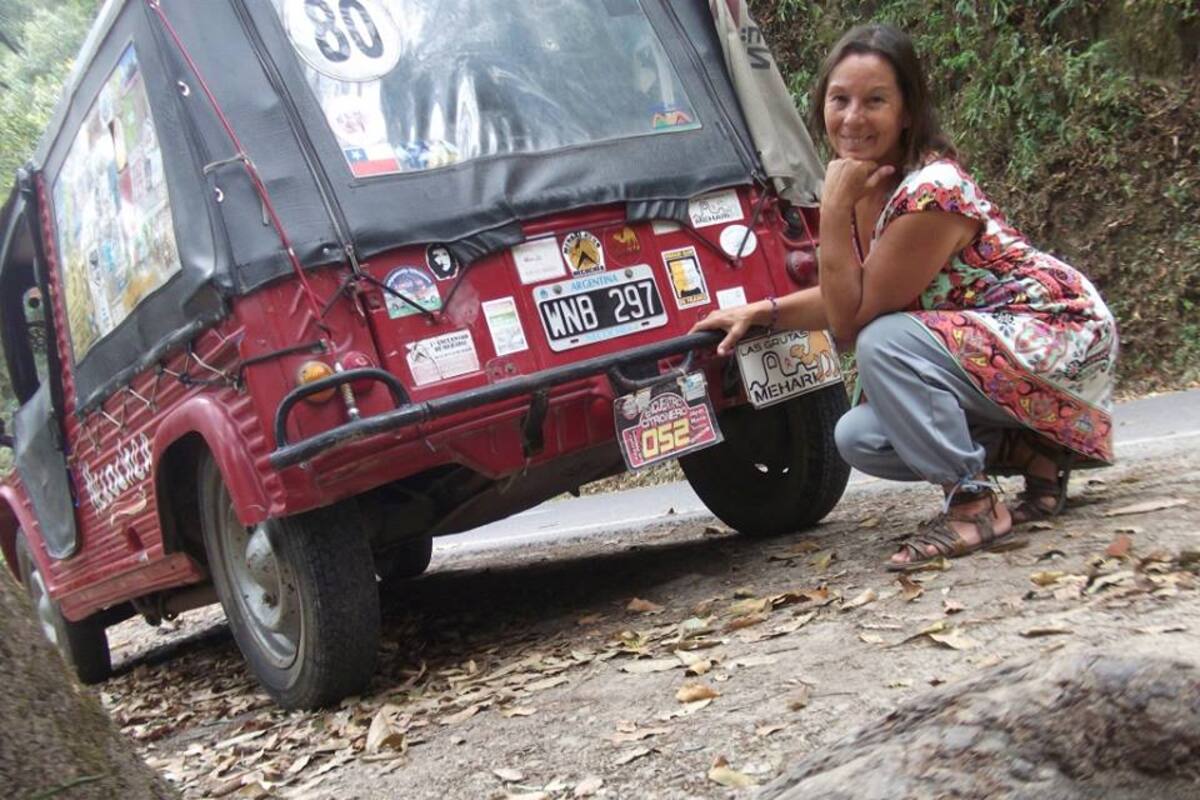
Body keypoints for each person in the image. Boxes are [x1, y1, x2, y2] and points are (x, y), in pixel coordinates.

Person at [692, 24, 1118, 569]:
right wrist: (765, 314)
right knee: (860, 437)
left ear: (908, 111)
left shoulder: (931, 190)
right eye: (838, 99)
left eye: (875, 101)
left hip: (1059, 329)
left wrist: (836, 208)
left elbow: (854, 322)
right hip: (994, 350)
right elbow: (856, 292)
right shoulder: (871, 183)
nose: (852, 118)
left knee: (883, 341)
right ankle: (1036, 451)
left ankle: (973, 503)